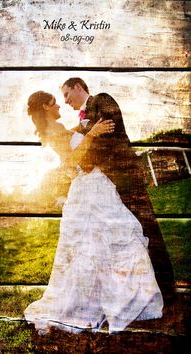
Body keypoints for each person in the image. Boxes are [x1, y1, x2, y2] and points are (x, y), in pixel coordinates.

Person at [24, 90, 164, 335]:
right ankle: (109, 302)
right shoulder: (54, 130)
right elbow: (71, 160)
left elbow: (76, 132)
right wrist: (92, 134)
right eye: (55, 103)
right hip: (89, 187)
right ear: (46, 107)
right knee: (99, 244)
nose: (60, 107)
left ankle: (120, 297)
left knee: (109, 242)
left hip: (96, 183)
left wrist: (87, 125)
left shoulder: (59, 128)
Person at [61, 77, 175, 300]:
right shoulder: (83, 123)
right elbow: (88, 149)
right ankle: (141, 290)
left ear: (77, 87)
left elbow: (108, 137)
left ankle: (167, 291)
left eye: (66, 95)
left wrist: (88, 149)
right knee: (127, 237)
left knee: (146, 230)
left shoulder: (101, 100)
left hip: (125, 178)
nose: (65, 101)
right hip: (107, 186)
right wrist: (90, 135)